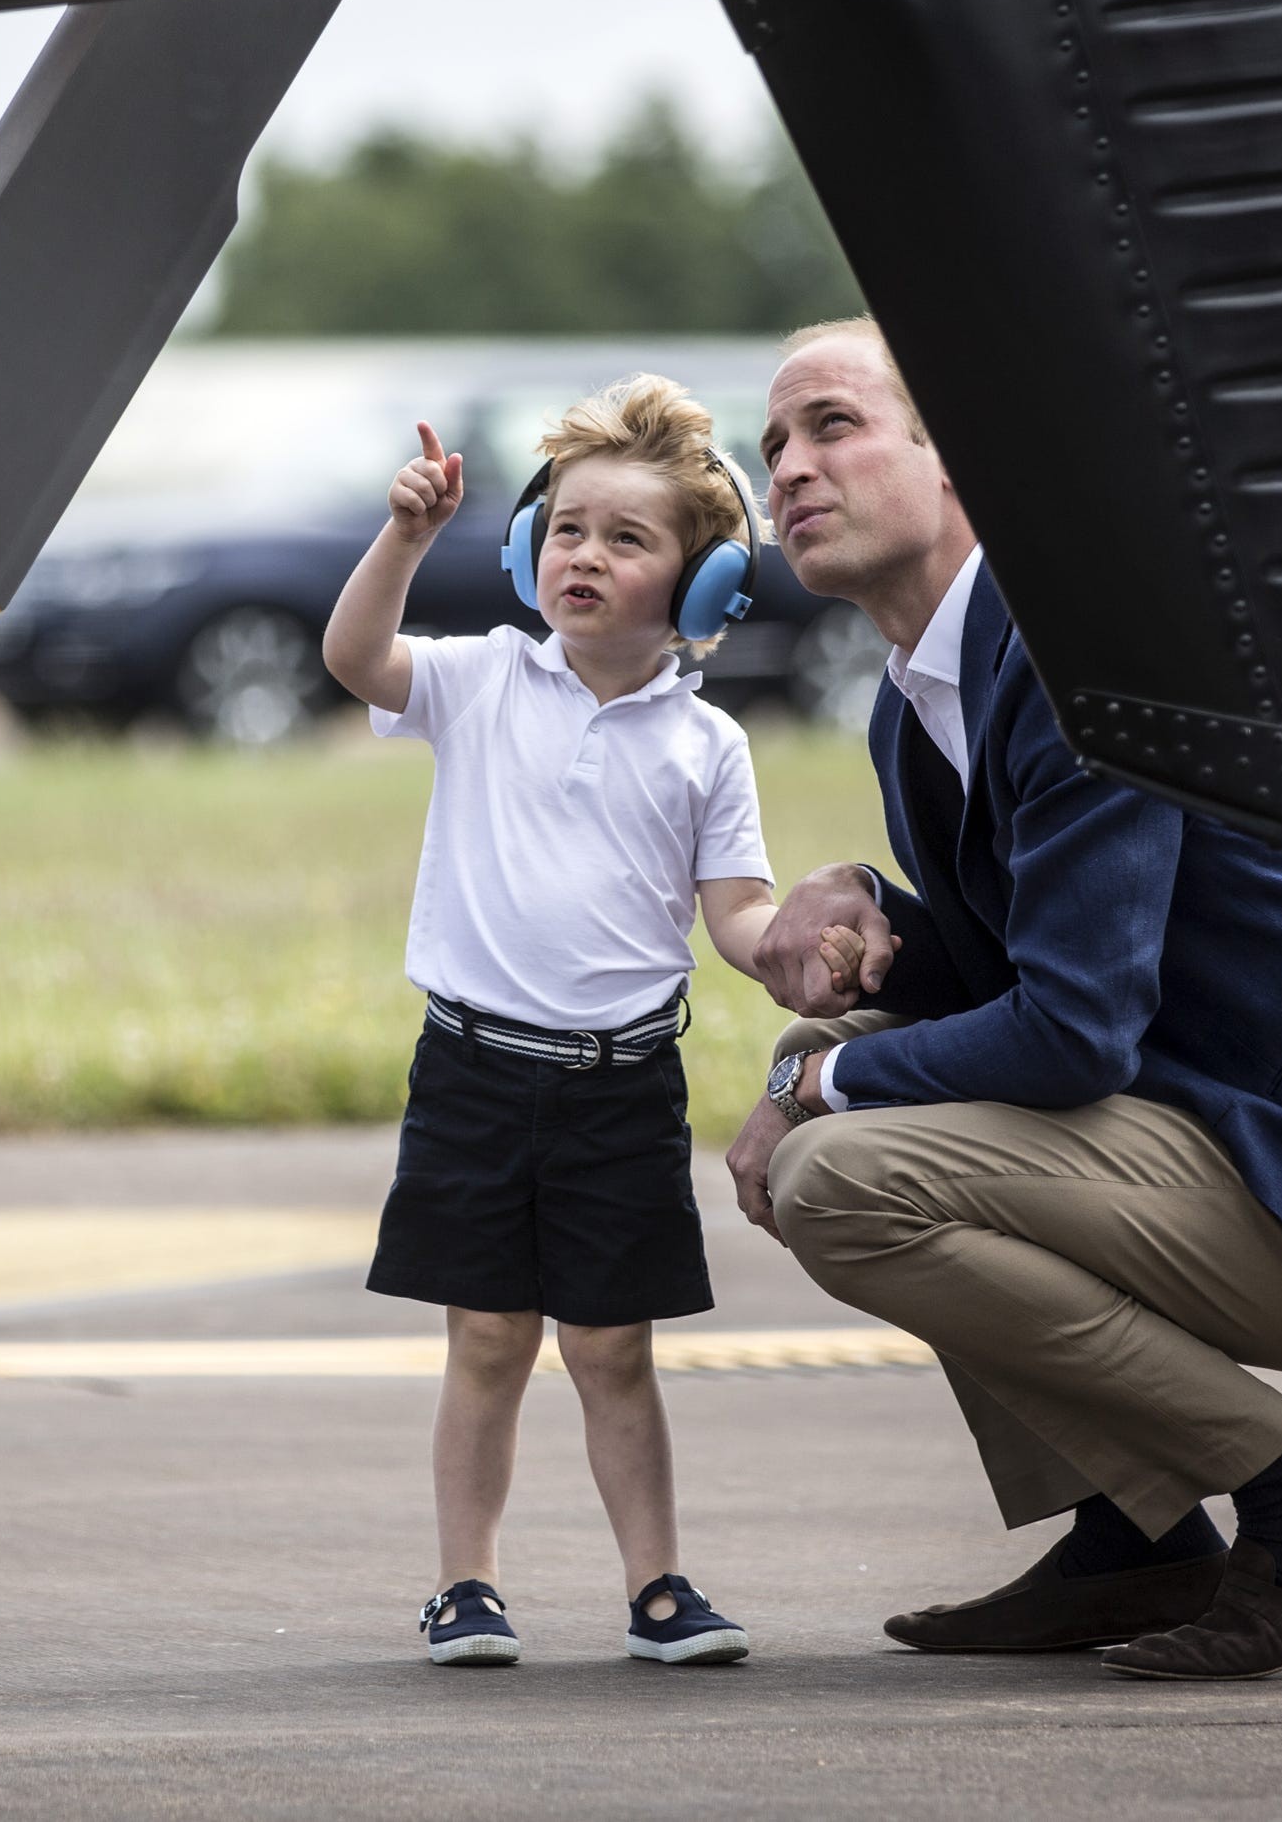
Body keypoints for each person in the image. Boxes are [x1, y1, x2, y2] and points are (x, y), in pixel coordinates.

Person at [726, 319, 1282, 1682]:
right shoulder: (919, 698)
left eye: (833, 426)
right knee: (840, 1063)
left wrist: (808, 1091)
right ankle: (1137, 1535)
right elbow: (1025, 972)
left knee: (841, 1176)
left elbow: (1071, 1036)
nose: (789, 473)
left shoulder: (1079, 661)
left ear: (962, 468)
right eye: (774, 447)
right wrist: (868, 929)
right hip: (1219, 1139)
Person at [324, 376, 778, 1669]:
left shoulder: (707, 747)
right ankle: (466, 1584)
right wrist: (405, 538)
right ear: (528, 551)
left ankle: (659, 1587)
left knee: (613, 1347)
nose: (586, 554)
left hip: (621, 1086)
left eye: (628, 539)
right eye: (568, 528)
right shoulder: (478, 682)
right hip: (473, 1070)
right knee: (485, 1340)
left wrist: (794, 952)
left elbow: (735, 915)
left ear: (699, 591)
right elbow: (358, 660)